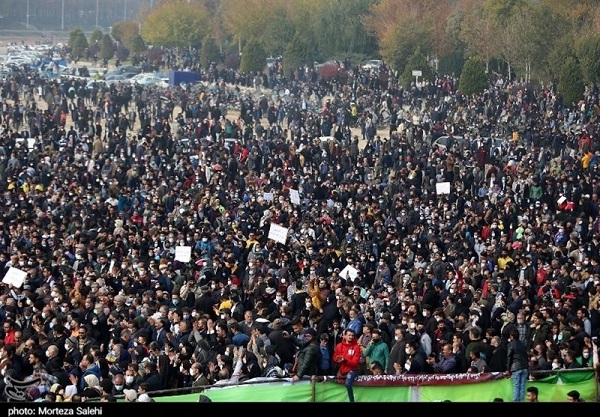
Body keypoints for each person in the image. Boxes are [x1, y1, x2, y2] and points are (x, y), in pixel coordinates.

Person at [333, 328, 361, 402]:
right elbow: (334, 357)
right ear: (344, 336)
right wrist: (337, 359)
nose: (351, 337)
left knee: (348, 384)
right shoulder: (339, 346)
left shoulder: (356, 347)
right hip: (342, 369)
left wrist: (344, 360)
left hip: (353, 370)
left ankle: (352, 401)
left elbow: (355, 363)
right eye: (349, 335)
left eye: (352, 335)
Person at [505, 329, 529, 402]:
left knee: (516, 386)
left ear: (511, 336)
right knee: (522, 386)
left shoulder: (510, 344)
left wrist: (507, 369)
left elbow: (509, 357)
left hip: (516, 367)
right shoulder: (523, 344)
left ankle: (515, 401)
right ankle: (521, 401)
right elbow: (526, 356)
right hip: (524, 367)